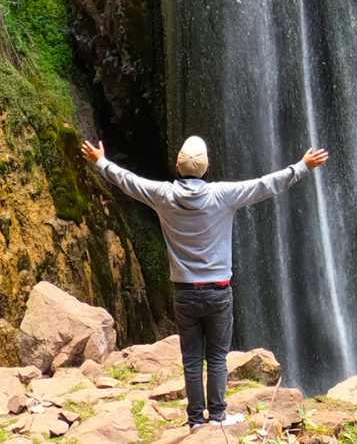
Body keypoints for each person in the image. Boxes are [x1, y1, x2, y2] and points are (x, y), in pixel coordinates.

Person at [81, 135, 330, 432]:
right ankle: (219, 416)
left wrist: (101, 163)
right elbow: (266, 184)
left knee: (191, 359)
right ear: (207, 166)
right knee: (217, 357)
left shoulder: (162, 194)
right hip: (218, 292)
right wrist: (302, 166)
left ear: (177, 165)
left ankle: (196, 420)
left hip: (184, 292)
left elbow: (129, 181)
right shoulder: (222, 195)